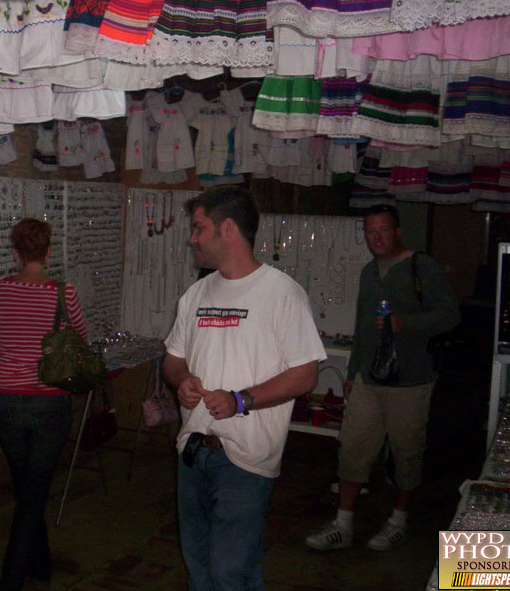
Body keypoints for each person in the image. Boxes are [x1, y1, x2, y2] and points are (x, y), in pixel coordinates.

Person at [164, 186, 327, 590]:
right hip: (193, 452)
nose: (192, 238)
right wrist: (181, 380)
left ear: (228, 229)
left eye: (199, 228)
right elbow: (173, 359)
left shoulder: (281, 293)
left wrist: (241, 400)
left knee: (229, 571)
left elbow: (305, 374)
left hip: (244, 462)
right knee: (199, 568)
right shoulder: (196, 294)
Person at [305, 204, 460, 552]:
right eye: (370, 230)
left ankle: (398, 521)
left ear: (398, 232)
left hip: (411, 380)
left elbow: (450, 314)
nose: (376, 237)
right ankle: (342, 524)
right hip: (368, 379)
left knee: (406, 452)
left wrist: (407, 323)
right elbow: (362, 326)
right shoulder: (368, 272)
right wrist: (352, 371)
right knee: (353, 447)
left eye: (383, 230)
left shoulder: (423, 266)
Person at [0, 218, 88, 591]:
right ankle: (10, 583)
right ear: (48, 253)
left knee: (28, 489)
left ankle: (42, 568)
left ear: (15, 253)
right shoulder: (64, 293)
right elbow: (80, 337)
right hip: (50, 403)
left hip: (8, 403)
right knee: (32, 496)